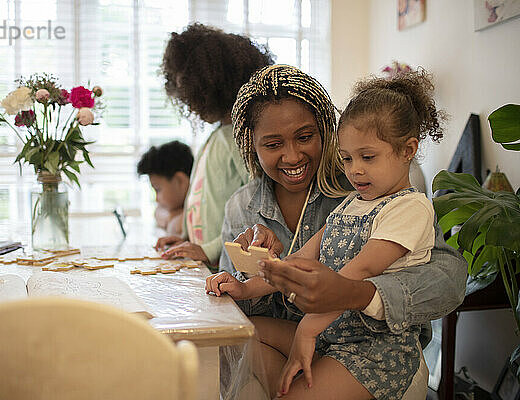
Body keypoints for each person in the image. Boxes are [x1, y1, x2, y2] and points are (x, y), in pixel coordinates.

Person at [205, 65, 466, 399]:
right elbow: (293, 264)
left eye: (304, 137)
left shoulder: (383, 198)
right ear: (250, 146)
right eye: (272, 144)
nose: (292, 155)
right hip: (327, 336)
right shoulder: (349, 203)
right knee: (237, 339)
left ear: (324, 132)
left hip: (366, 348)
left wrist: (309, 326)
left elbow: (440, 276)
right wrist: (242, 286)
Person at [155, 23, 274, 267]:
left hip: (227, 266)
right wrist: (185, 239)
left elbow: (258, 209)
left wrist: (208, 250)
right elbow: (203, 200)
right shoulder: (218, 135)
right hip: (209, 263)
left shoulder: (238, 140)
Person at [137, 140, 193, 235]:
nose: (156, 199)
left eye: (158, 190)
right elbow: (157, 212)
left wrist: (172, 219)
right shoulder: (177, 205)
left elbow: (177, 228)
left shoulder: (198, 205)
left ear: (180, 181)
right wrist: (172, 216)